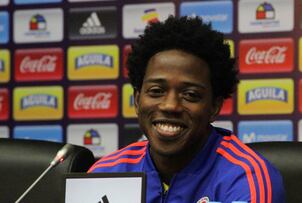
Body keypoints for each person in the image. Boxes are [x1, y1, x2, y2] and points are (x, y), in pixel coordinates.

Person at [88, 15, 285, 203]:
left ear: (214, 107)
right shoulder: (106, 173)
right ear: (137, 100)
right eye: (156, 91)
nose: (170, 105)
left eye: (190, 95)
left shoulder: (245, 179)